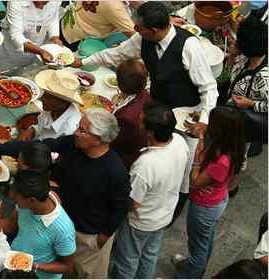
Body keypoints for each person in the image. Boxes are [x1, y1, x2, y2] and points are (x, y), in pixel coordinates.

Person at [71, 1, 218, 226]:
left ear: (155, 30)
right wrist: (82, 61)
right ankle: (141, 196)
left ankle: (170, 212)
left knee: (182, 168)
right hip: (158, 105)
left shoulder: (189, 46)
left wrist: (204, 120)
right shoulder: (143, 39)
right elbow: (115, 54)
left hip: (186, 114)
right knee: (149, 154)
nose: (135, 31)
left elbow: (209, 88)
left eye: (140, 28)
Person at [0, 108, 131, 278]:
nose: (76, 133)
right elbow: (41, 147)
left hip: (87, 232)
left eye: (82, 130)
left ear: (99, 139)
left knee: (82, 271)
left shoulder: (115, 172)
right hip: (60, 216)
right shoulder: (73, 144)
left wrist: (103, 236)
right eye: (78, 127)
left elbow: (121, 206)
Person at [110, 102, 189, 278]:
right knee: (149, 255)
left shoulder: (146, 165)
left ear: (150, 132)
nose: (138, 125)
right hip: (164, 214)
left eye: (141, 122)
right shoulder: (179, 142)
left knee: (127, 261)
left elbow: (133, 204)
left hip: (141, 221)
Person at [173, 106, 246, 278]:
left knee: (198, 245)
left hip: (205, 207)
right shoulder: (233, 145)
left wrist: (197, 158)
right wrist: (200, 130)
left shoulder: (222, 162)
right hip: (217, 200)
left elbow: (195, 181)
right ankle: (193, 265)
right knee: (205, 241)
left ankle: (190, 274)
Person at [0, 170, 76, 279]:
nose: (13, 199)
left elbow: (67, 266)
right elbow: (10, 227)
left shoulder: (63, 229)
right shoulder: (28, 203)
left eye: (16, 198)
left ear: (31, 200)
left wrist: (34, 266)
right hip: (14, 265)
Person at [225, 16, 268, 168]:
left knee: (238, 151)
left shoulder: (264, 77)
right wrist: (232, 55)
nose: (235, 42)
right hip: (232, 112)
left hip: (245, 122)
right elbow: (230, 73)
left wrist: (251, 103)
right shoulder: (245, 57)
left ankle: (232, 183)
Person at [0, 1, 64, 70]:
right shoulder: (16, 3)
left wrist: (54, 37)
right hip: (9, 55)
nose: (42, 7)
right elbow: (16, 35)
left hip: (35, 53)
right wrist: (39, 51)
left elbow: (53, 18)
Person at [110, 59, 152, 169]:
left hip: (122, 158)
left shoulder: (126, 118)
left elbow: (112, 140)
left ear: (120, 85)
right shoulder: (145, 94)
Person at [20, 70, 81, 141]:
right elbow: (41, 127)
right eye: (45, 94)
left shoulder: (69, 131)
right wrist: (32, 130)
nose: (41, 98)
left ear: (63, 102)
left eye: (49, 97)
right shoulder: (51, 108)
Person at [61, 1, 135, 49]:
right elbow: (136, 36)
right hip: (76, 35)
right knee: (61, 56)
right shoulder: (115, 7)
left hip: (69, 20)